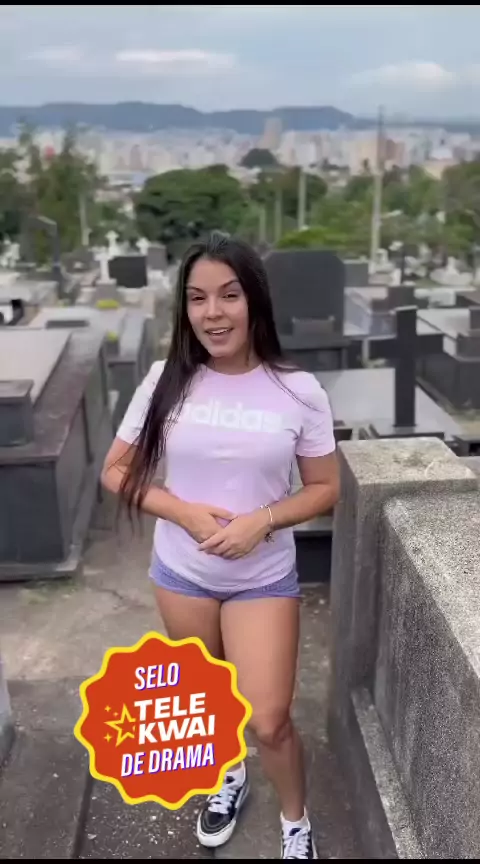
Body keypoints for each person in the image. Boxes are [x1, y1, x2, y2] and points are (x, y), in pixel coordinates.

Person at [101, 231, 339, 859]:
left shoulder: (298, 390)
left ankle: (296, 823)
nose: (213, 313)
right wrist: (180, 511)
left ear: (254, 300)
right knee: (206, 703)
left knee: (270, 719)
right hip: (181, 574)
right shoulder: (164, 381)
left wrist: (263, 520)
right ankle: (228, 778)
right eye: (198, 298)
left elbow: (325, 488)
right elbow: (116, 471)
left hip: (262, 578)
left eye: (229, 295)